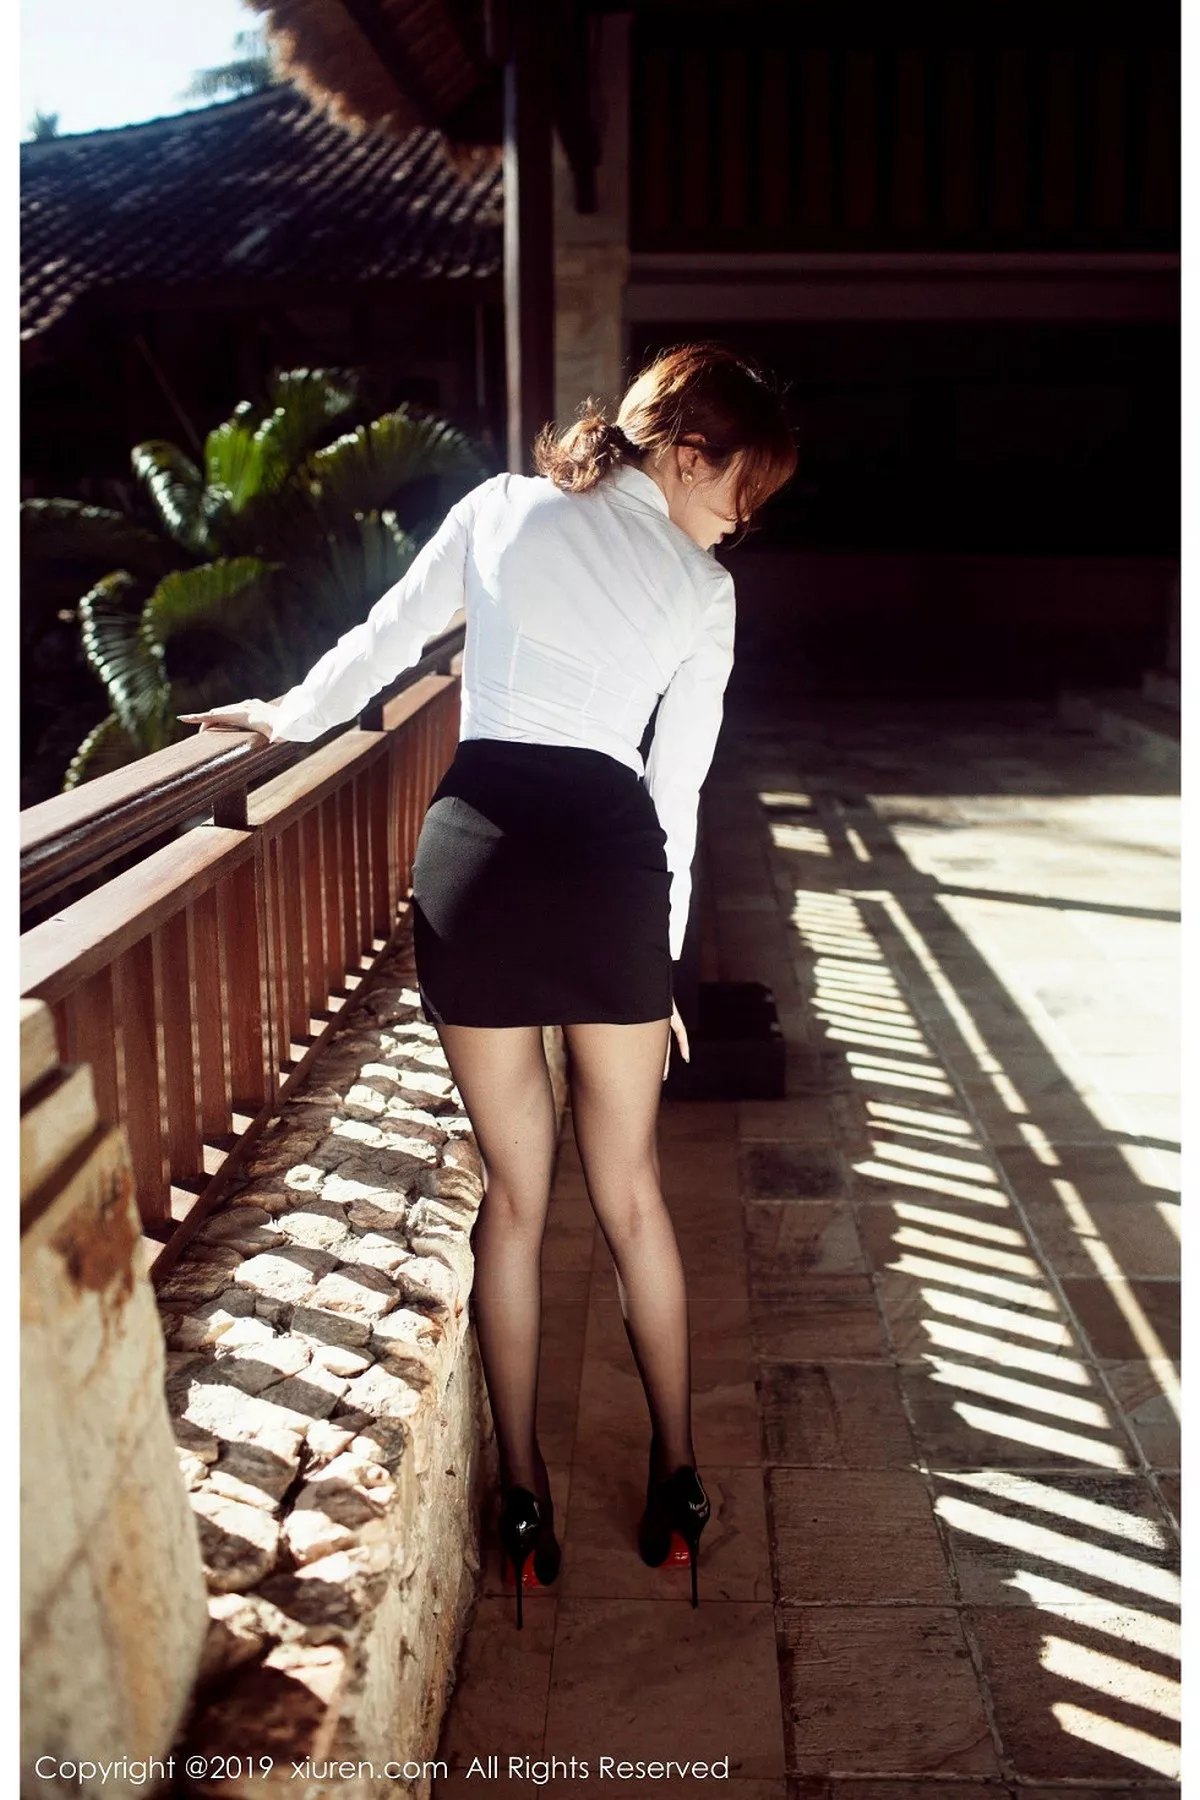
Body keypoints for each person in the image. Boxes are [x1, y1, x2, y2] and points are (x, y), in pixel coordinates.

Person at [181, 340, 796, 1625]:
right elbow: (674, 792)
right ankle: (680, 1481)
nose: (743, 521)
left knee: (514, 1203)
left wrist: (284, 717)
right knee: (631, 1196)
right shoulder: (703, 590)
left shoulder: (502, 506)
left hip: (478, 856)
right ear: (692, 453)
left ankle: (521, 1499)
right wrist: (660, 960)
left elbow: (386, 642)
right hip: (610, 869)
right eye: (746, 490)